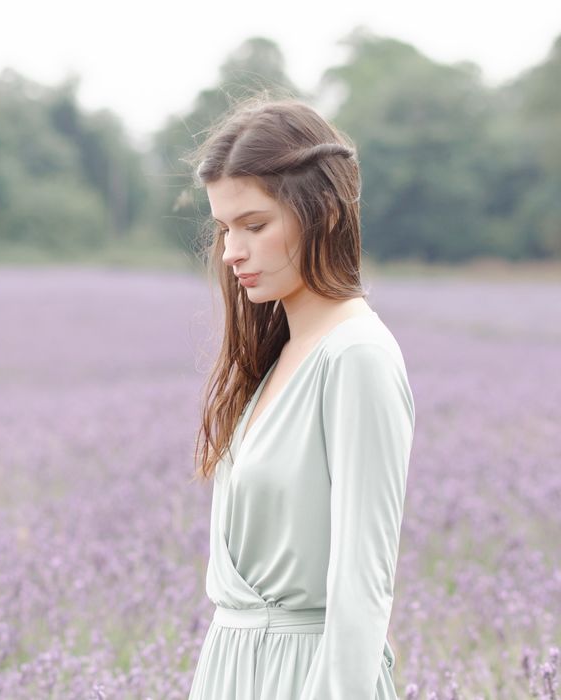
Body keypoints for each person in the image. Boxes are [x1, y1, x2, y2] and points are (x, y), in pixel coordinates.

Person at [184, 96, 416, 699]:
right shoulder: (281, 354)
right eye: (224, 228)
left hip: (309, 676)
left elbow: (364, 581)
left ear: (327, 213)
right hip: (232, 670)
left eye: (255, 225)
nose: (233, 251)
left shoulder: (355, 355)